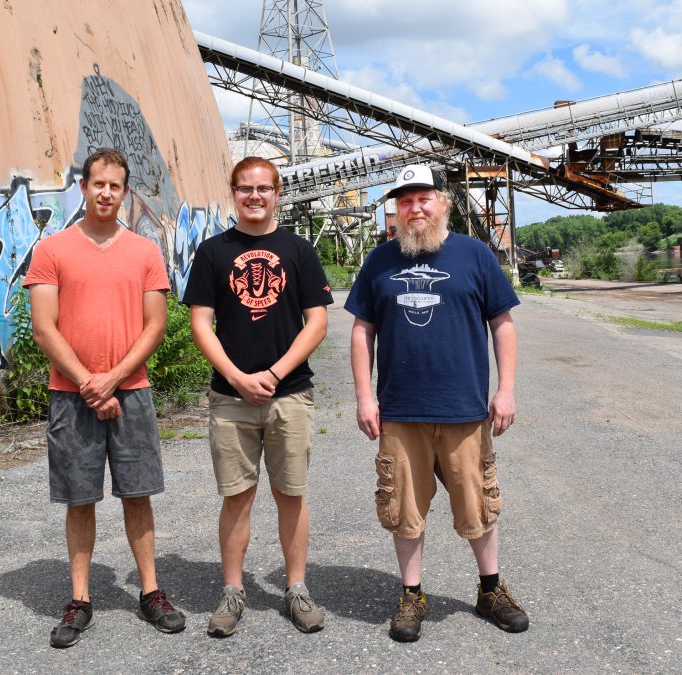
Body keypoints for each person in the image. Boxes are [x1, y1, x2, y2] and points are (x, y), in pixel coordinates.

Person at [346, 164, 530, 642]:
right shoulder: (380, 261)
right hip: (400, 410)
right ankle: (411, 595)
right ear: (397, 210)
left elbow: (502, 324)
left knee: (478, 505)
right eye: (406, 201)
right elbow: (362, 330)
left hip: (463, 409)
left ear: (442, 203)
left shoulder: (475, 255)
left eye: (424, 198)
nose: (416, 208)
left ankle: (490, 588)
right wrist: (365, 396)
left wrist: (505, 388)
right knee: (402, 506)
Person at [24, 147, 185, 648]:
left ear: (125, 191)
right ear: (84, 186)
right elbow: (44, 329)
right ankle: (80, 599)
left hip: (131, 392)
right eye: (98, 184)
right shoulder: (52, 249)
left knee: (137, 494)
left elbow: (154, 327)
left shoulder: (144, 251)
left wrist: (110, 379)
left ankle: (151, 591)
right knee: (80, 498)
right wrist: (90, 386)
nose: (107, 193)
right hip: (70, 398)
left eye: (116, 185)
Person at [184, 156, 333, 637]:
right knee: (236, 498)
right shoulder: (211, 253)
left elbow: (317, 322)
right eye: (246, 188)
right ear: (234, 192)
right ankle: (233, 591)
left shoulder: (299, 250)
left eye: (264, 188)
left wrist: (272, 372)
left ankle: (296, 588)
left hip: (289, 395)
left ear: (277, 193)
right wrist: (236, 376)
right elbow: (200, 325)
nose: (255, 196)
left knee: (291, 494)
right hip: (230, 398)